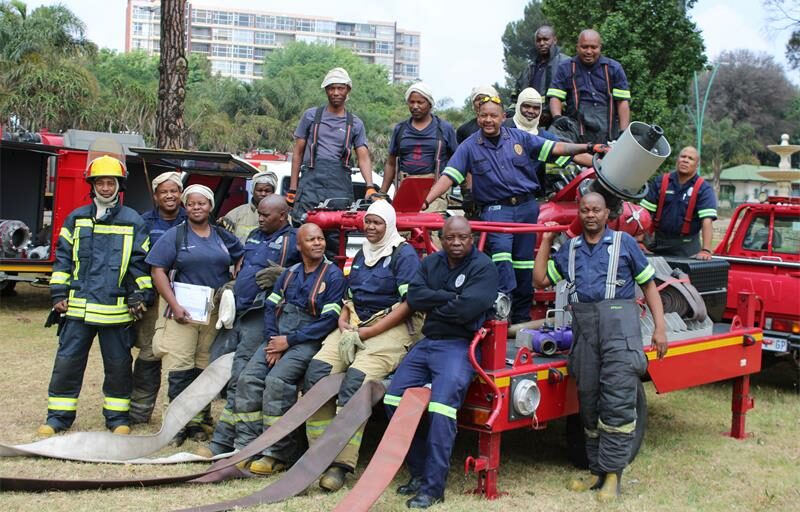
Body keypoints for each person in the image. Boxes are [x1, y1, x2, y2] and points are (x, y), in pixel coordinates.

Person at [533, 192, 667, 502]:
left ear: (608, 213)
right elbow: (540, 280)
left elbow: (648, 285)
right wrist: (546, 239)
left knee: (617, 404)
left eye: (596, 210)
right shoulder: (570, 250)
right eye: (585, 210)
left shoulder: (624, 244)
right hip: (586, 335)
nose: (590, 215)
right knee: (589, 403)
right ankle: (596, 471)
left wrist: (660, 329)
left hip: (620, 334)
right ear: (579, 214)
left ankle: (613, 477)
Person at [423, 96, 598, 324]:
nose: (488, 120)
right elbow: (449, 176)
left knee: (524, 264)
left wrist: (589, 148)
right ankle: (500, 316)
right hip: (496, 210)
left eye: (493, 116)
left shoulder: (520, 138)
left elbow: (557, 148)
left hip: (526, 209)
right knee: (502, 260)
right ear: (478, 118)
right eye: (483, 115)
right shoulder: (469, 147)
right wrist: (425, 201)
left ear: (503, 117)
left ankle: (521, 320)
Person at [301, 200, 422, 491]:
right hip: (355, 323)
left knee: (355, 383)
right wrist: (344, 322)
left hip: (390, 327)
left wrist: (367, 334)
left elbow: (409, 306)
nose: (370, 227)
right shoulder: (361, 254)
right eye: (367, 222)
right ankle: (319, 453)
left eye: (377, 222)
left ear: (389, 225)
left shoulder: (403, 256)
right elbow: (351, 296)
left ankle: (341, 465)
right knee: (316, 373)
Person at [384, 216, 499, 509]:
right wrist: (451, 298)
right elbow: (415, 296)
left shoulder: (483, 267)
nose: (457, 243)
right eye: (451, 238)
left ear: (471, 238)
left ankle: (434, 488)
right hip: (428, 342)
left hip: (460, 346)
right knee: (392, 400)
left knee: (441, 409)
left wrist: (439, 302)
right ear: (442, 239)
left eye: (463, 238)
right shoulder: (431, 263)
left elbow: (469, 309)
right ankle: (419, 473)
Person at [39, 154, 152, 437]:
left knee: (118, 367)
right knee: (67, 363)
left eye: (110, 182)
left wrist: (140, 295)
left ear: (119, 185)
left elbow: (140, 264)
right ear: (92, 185)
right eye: (100, 182)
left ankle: (117, 418)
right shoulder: (75, 219)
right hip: (77, 309)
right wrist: (57, 294)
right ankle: (58, 418)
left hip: (115, 312)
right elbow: (63, 259)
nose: (105, 187)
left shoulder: (133, 221)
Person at [234, 223, 345, 472]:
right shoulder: (290, 272)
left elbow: (327, 321)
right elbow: (271, 307)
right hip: (278, 338)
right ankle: (247, 447)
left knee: (277, 382)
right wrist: (274, 341)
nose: (317, 243)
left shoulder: (333, 275)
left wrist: (289, 341)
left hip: (307, 341)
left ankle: (278, 454)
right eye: (311, 240)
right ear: (299, 245)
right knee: (248, 378)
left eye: (320, 239)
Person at [199, 194, 300, 457]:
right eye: (260, 214)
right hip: (239, 312)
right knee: (224, 369)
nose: (260, 218)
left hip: (263, 315)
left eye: (266, 215)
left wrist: (286, 275)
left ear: (283, 215)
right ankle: (228, 438)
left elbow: (316, 269)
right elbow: (245, 267)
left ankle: (232, 443)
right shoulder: (255, 234)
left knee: (243, 376)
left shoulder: (294, 239)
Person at [146, 184, 244, 446]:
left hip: (211, 314)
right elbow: (157, 271)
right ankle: (175, 424)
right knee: (180, 368)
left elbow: (242, 255)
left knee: (204, 368)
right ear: (184, 206)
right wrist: (174, 305)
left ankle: (200, 421)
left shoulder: (223, 237)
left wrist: (234, 278)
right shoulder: (175, 236)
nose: (196, 207)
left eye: (202, 203)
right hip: (181, 312)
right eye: (191, 203)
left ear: (210, 206)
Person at [288, 67, 375, 253]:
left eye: (340, 88)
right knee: (304, 231)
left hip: (339, 188)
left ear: (348, 90)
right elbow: (297, 153)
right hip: (310, 183)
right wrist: (293, 189)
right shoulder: (311, 116)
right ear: (326, 90)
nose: (335, 92)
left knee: (336, 237)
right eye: (331, 88)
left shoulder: (355, 123)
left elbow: (363, 156)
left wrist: (370, 186)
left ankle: (334, 279)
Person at [130, 171, 188, 425]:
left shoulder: (196, 219)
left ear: (181, 194)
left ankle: (182, 416)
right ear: (155, 196)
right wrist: (138, 292)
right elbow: (135, 261)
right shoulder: (143, 223)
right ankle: (139, 413)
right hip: (153, 298)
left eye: (174, 190)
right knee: (148, 353)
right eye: (163, 191)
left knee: (183, 357)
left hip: (187, 297)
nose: (169, 196)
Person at [380, 82, 458, 213]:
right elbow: (391, 163)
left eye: (420, 102)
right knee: (403, 229)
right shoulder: (401, 129)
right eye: (411, 102)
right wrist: (382, 193)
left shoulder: (444, 129)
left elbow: (457, 162)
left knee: (427, 227)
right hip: (405, 187)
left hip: (434, 188)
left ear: (430, 104)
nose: (415, 106)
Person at [547, 29, 631, 144]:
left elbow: (622, 102)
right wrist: (557, 118)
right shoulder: (565, 68)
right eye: (584, 47)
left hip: (608, 130)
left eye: (593, 47)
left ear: (600, 47)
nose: (589, 51)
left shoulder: (614, 68)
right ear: (577, 47)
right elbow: (555, 97)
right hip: (576, 126)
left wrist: (623, 131)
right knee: (551, 139)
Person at [640, 147, 717, 259]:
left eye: (690, 158)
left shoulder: (703, 189)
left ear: (697, 165)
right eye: (683, 156)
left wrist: (706, 250)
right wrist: (639, 241)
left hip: (687, 246)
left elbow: (707, 221)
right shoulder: (661, 182)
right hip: (658, 243)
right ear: (677, 160)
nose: (685, 160)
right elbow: (644, 214)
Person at [515, 25, 570, 127]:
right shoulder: (528, 69)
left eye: (545, 39)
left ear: (555, 40)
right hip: (530, 122)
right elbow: (516, 95)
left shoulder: (566, 64)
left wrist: (552, 112)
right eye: (538, 40)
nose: (542, 43)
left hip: (559, 123)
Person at [219, 170, 278, 244]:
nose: (263, 194)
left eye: (267, 191)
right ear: (253, 191)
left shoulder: (282, 216)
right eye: (259, 190)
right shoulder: (236, 214)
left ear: (273, 192)